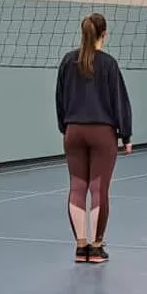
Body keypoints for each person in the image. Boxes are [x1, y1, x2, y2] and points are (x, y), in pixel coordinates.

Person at [55, 14, 133, 263]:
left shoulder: (68, 61)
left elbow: (59, 98)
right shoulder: (108, 64)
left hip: (73, 131)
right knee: (99, 189)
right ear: (104, 34)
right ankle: (96, 248)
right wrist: (126, 134)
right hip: (102, 133)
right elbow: (119, 100)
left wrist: (65, 128)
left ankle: (80, 248)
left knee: (77, 188)